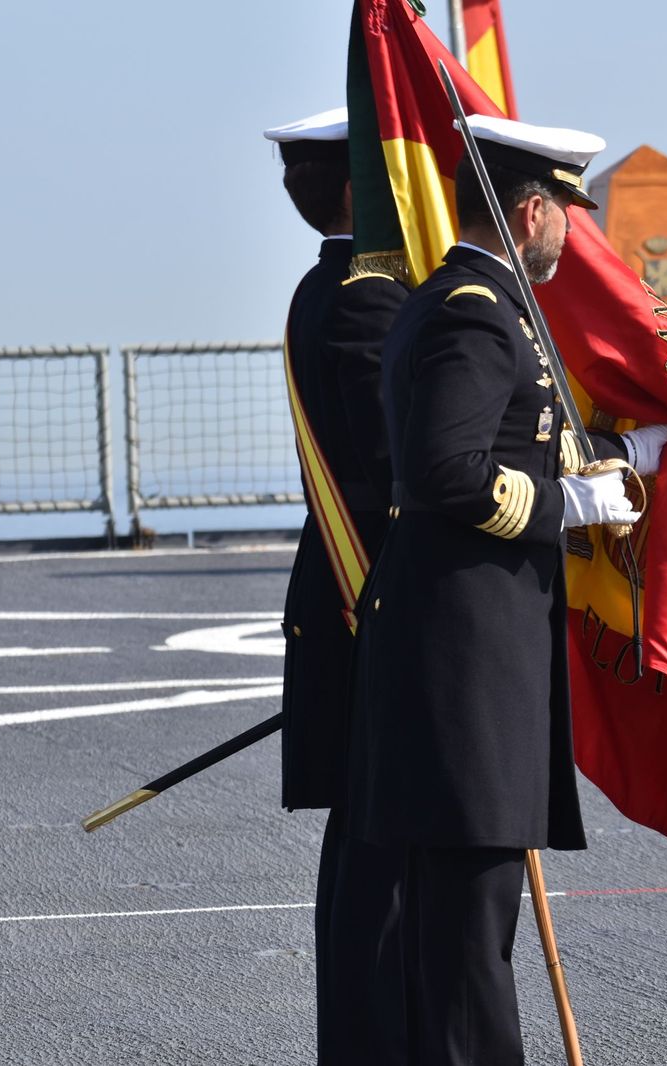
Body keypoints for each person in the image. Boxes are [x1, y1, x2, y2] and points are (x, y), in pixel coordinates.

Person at [344, 114, 667, 1064]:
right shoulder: (473, 311)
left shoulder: (465, 301)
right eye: (570, 213)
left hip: (464, 648)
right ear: (530, 211)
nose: (576, 233)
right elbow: (450, 473)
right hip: (465, 658)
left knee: (464, 910)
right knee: (467, 919)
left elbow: (519, 441)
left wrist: (628, 455)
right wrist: (562, 506)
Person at [263, 107, 409, 1066]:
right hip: (382, 610)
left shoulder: (334, 287)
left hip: (355, 605)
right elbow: (402, 470)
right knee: (387, 873)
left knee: (369, 862)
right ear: (361, 187)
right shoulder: (371, 297)